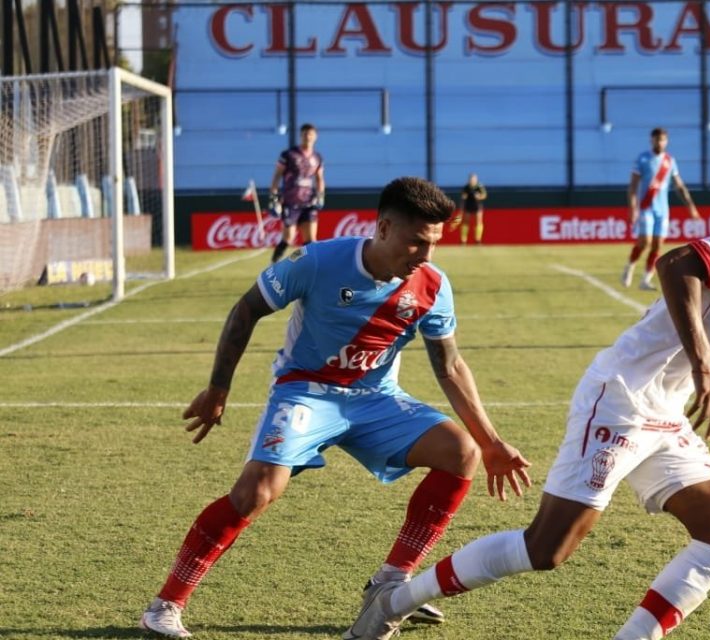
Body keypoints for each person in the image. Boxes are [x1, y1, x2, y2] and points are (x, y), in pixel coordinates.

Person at [344, 159, 710, 640]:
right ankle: (391, 602)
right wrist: (702, 366)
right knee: (547, 549)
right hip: (622, 400)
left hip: (665, 414)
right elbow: (677, 263)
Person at [138, 177, 532, 639]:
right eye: (416, 243)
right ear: (383, 228)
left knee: (460, 452)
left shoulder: (432, 285)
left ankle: (390, 583)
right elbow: (246, 310)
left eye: (433, 246)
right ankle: (164, 606)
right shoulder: (319, 260)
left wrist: (490, 442)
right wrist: (217, 389)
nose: (425, 257)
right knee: (256, 492)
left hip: (377, 398)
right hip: (305, 391)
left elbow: (450, 366)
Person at [623, 127, 700, 291]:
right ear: (652, 140)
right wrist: (633, 207)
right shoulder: (643, 159)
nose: (660, 142)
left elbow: (679, 186)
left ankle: (645, 279)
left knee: (658, 245)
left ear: (666, 141)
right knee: (645, 242)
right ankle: (630, 266)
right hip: (645, 208)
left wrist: (691, 207)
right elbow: (633, 186)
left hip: (662, 210)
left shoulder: (670, 161)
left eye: (662, 140)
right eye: (657, 139)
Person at [269, 123, 325, 263]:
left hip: (308, 203)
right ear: (300, 135)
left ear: (316, 137)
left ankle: (308, 266)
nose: (308, 136)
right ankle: (274, 264)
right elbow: (277, 176)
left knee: (311, 241)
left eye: (311, 134)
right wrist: (274, 197)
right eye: (305, 133)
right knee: (288, 238)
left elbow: (319, 179)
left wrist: (321, 195)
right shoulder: (288, 155)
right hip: (290, 202)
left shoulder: (317, 157)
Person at [455, 173, 487, 245]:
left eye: (474, 179)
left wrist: (479, 197)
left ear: (476, 179)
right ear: (469, 180)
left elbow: (484, 195)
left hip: (477, 206)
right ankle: (463, 240)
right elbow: (463, 197)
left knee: (478, 222)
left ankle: (478, 240)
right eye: (471, 179)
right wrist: (463, 199)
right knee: (466, 222)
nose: (472, 180)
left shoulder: (480, 186)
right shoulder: (466, 187)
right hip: (468, 206)